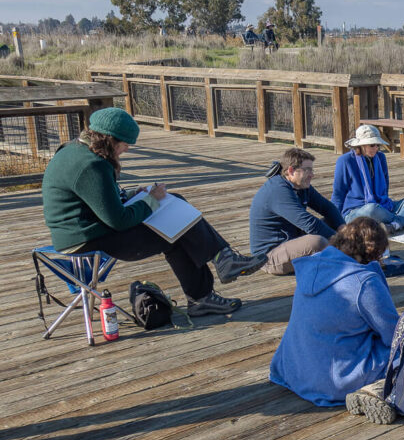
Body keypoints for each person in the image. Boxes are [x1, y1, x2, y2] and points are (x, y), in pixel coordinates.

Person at [41, 107, 265, 316]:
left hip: (85, 230)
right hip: (87, 240)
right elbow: (118, 220)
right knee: (175, 230)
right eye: (125, 143)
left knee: (175, 203)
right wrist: (150, 200)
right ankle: (209, 284)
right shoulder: (92, 165)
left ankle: (221, 264)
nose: (127, 148)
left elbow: (95, 198)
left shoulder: (76, 149)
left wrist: (132, 194)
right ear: (109, 139)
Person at [269, 218, 398, 419]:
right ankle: (374, 390)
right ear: (375, 252)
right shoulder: (365, 282)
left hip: (293, 370)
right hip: (334, 382)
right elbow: (394, 336)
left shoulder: (310, 266)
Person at [249, 147, 344, 275]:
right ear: (291, 170)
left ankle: (340, 255)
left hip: (291, 241)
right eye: (307, 170)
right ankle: (348, 258)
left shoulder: (301, 185)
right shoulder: (278, 190)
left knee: (332, 221)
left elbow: (328, 208)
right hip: (269, 257)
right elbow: (309, 223)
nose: (312, 174)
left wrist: (344, 230)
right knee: (317, 242)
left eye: (312, 169)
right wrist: (343, 242)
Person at [331, 124, 404, 232]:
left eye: (378, 145)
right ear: (361, 145)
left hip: (384, 205)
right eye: (372, 145)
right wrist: (336, 222)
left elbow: (385, 188)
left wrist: (384, 209)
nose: (376, 148)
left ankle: (395, 224)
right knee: (371, 209)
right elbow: (338, 194)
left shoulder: (381, 157)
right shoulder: (345, 160)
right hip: (357, 211)